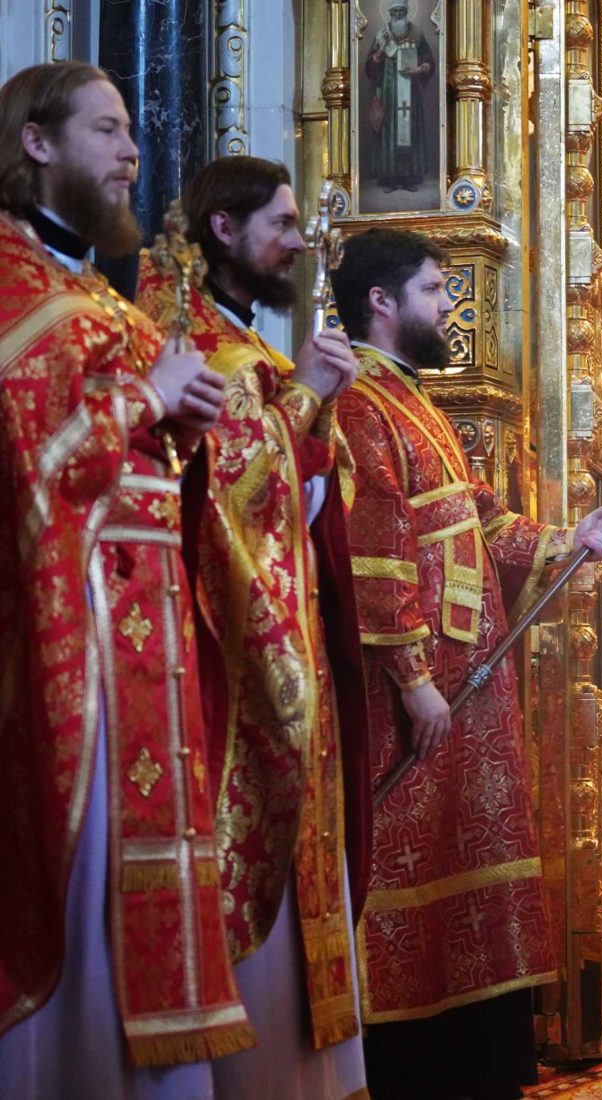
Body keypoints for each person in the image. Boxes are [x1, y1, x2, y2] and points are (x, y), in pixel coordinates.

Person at [329, 227, 602, 1100]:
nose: (449, 305)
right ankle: (412, 1069)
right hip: (414, 694)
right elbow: (370, 553)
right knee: (407, 868)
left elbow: (488, 525)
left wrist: (577, 542)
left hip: (464, 687)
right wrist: (415, 682)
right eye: (432, 289)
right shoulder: (358, 403)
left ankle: (477, 1061)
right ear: (381, 302)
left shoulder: (419, 403)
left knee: (469, 861)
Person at [0, 61, 247, 1096]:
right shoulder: (10, 284)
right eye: (105, 129)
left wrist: (177, 430)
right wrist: (139, 398)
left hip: (150, 624)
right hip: (70, 630)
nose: (131, 150)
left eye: (131, 132)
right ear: (37, 142)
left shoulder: (98, 292)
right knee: (80, 876)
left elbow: (138, 453)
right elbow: (21, 456)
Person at [133, 154, 370, 1098]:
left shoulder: (261, 356)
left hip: (292, 643)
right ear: (223, 232)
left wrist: (301, 401)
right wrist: (305, 400)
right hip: (224, 670)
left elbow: (314, 508)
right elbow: (231, 501)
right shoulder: (190, 347)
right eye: (282, 224)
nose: (299, 245)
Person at [365, 2, 437, 193]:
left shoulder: (417, 34)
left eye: (401, 11)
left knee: (410, 131)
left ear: (407, 12)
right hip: (388, 92)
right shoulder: (382, 35)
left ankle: (408, 177)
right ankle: (389, 178)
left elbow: (429, 61)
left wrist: (419, 69)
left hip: (410, 92)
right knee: (388, 132)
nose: (398, 14)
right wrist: (381, 51)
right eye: (394, 11)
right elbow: (370, 68)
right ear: (389, 13)